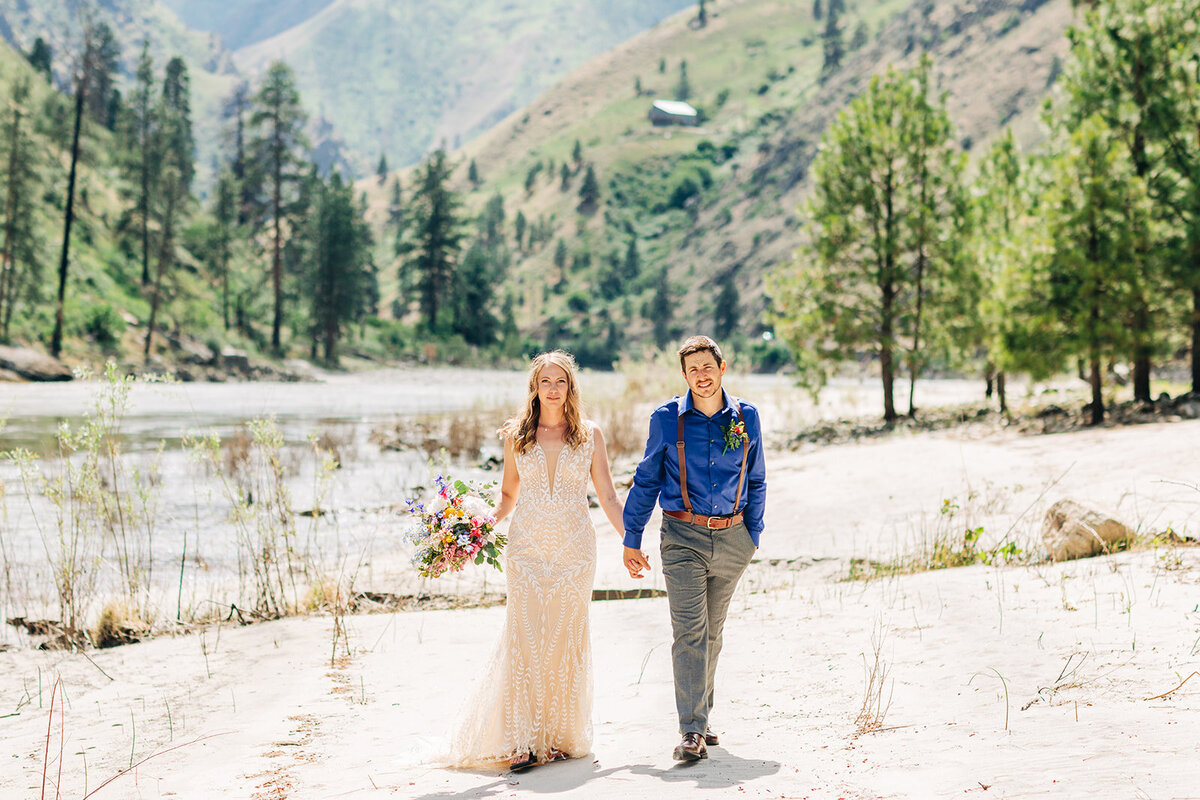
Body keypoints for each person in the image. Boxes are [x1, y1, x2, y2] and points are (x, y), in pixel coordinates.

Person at [448, 350, 626, 771]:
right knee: (524, 639)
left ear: (570, 387)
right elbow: (508, 495)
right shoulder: (518, 436)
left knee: (565, 638)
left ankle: (560, 738)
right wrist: (475, 528)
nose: (553, 388)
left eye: (560, 381)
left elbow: (607, 495)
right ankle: (522, 742)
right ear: (534, 387)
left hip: (574, 552)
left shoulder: (590, 435)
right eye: (545, 381)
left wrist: (630, 541)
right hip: (526, 550)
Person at [622, 335, 766, 761]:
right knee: (690, 632)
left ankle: (701, 717)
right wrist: (632, 538)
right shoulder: (667, 419)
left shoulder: (746, 416)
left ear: (722, 368)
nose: (701, 376)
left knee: (713, 633)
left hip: (734, 538)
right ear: (684, 376)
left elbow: (757, 477)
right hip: (682, 537)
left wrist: (752, 534)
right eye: (692, 370)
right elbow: (646, 480)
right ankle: (691, 730)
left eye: (707, 367)